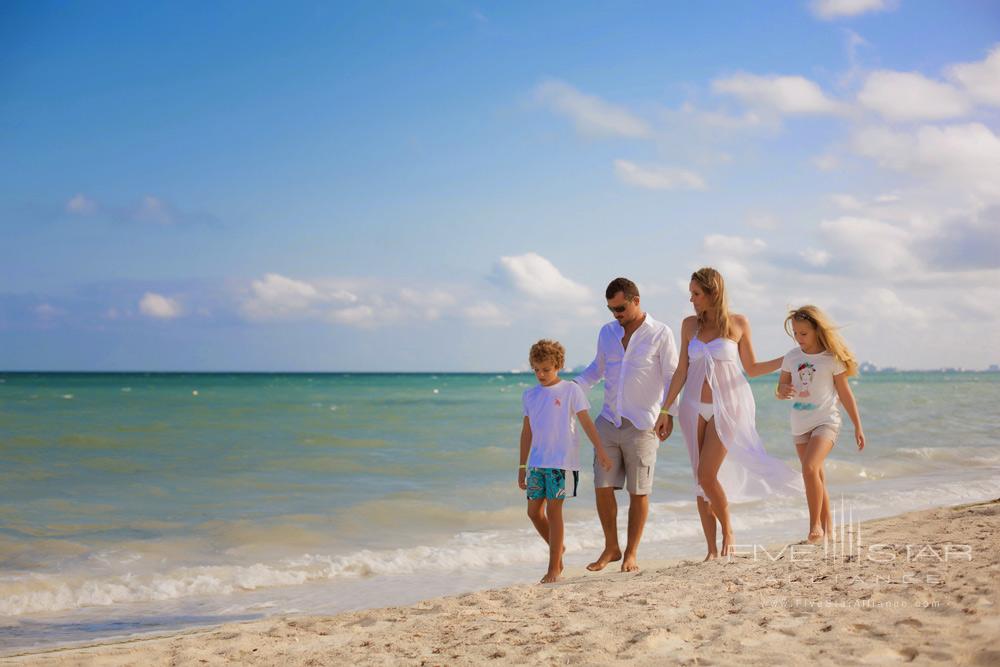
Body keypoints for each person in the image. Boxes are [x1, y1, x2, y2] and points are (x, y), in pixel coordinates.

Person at [654, 267, 801, 561]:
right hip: (692, 407)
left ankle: (728, 531)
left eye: (696, 293)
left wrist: (788, 358)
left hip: (728, 407)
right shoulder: (688, 326)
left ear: (713, 293)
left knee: (708, 475)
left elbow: (753, 368)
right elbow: (681, 370)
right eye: (691, 293)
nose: (691, 299)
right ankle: (711, 549)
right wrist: (665, 409)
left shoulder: (738, 323)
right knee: (700, 478)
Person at [573, 278, 679, 573]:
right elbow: (597, 368)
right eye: (610, 309)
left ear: (636, 300)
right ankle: (612, 547)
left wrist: (668, 412)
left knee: (639, 491)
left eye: (620, 308)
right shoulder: (607, 332)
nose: (615, 314)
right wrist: (574, 387)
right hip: (608, 420)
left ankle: (631, 553)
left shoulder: (660, 333)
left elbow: (672, 376)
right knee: (602, 486)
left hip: (643, 422)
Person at [518, 339, 613, 583]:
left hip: (562, 463)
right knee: (533, 512)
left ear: (558, 365)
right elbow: (526, 432)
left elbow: (586, 423)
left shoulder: (571, 390)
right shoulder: (529, 395)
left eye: (546, 369)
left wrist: (601, 450)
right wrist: (521, 466)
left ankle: (554, 568)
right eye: (536, 369)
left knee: (554, 509)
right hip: (537, 463)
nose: (541, 374)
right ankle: (558, 547)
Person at [776, 305, 865, 544]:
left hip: (826, 421)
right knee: (816, 475)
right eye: (795, 333)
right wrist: (783, 390)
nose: (799, 338)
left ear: (816, 330)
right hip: (799, 424)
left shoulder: (831, 359)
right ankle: (828, 529)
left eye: (803, 333)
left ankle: (814, 525)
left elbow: (845, 394)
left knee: (809, 468)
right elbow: (780, 388)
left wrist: (858, 426)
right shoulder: (792, 357)